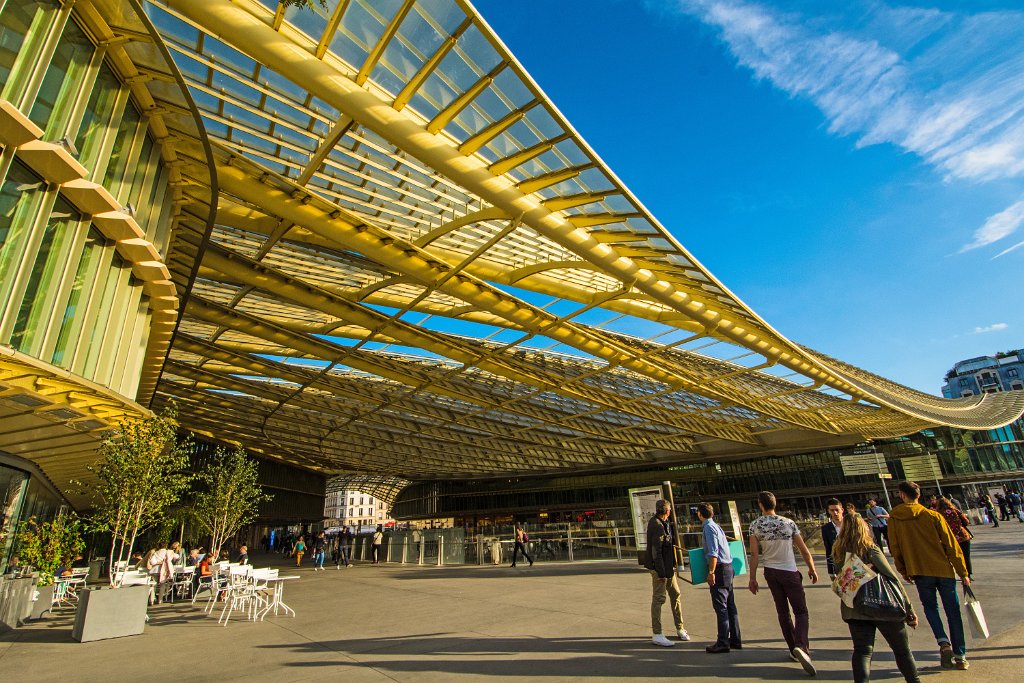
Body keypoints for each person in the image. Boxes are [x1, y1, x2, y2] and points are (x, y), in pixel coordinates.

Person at [888, 481, 971, 671]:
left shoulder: (895, 517)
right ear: (919, 496)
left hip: (919, 571)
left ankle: (943, 643)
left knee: (931, 608)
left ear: (902, 495)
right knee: (953, 612)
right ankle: (960, 656)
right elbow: (952, 546)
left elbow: (895, 547)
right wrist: (963, 572)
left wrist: (903, 570)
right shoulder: (933, 515)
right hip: (943, 570)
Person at [833, 513, 920, 683]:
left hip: (854, 606)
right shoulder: (870, 548)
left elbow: (840, 576)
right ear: (863, 528)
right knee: (901, 650)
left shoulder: (837, 550)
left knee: (862, 651)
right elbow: (892, 578)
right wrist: (908, 608)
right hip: (882, 605)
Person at [748, 490, 818, 676]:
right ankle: (801, 645)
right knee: (801, 611)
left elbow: (755, 555)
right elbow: (803, 549)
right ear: (775, 503)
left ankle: (793, 648)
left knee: (783, 612)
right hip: (789, 570)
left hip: (770, 572)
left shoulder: (755, 525)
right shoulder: (788, 523)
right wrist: (812, 568)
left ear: (760, 505)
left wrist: (752, 577)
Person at [645, 499, 689, 647]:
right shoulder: (657, 525)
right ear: (668, 512)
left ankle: (680, 627)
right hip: (661, 570)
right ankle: (657, 633)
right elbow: (656, 551)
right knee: (659, 599)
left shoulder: (663, 523)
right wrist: (661, 572)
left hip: (667, 568)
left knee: (675, 594)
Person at [697, 502, 741, 653]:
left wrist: (711, 572)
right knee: (730, 606)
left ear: (699, 514)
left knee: (721, 607)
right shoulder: (716, 526)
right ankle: (735, 639)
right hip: (729, 568)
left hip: (720, 570)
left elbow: (713, 552)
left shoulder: (708, 528)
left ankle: (723, 642)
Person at [936, 497, 973, 577]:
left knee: (953, 556)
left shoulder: (938, 514)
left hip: (950, 538)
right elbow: (966, 521)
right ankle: (968, 574)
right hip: (962, 536)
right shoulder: (955, 510)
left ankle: (955, 573)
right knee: (966, 556)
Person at [821, 498, 844, 580]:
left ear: (842, 510)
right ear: (828, 511)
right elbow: (828, 549)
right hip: (839, 564)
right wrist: (831, 571)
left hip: (855, 562)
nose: (835, 513)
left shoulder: (851, 524)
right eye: (832, 510)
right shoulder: (826, 528)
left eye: (837, 510)